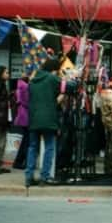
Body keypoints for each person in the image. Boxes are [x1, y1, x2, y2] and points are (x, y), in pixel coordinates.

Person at [25, 59, 65, 187]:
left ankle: (29, 177)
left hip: (34, 118)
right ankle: (44, 177)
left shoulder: (33, 80)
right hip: (48, 119)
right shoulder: (51, 78)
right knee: (49, 147)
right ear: (54, 69)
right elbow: (68, 86)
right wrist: (68, 79)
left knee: (32, 148)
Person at [12, 75, 30, 170]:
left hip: (22, 115)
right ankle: (21, 161)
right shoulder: (25, 87)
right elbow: (27, 101)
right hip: (26, 115)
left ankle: (19, 161)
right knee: (27, 140)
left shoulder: (20, 87)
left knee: (25, 140)